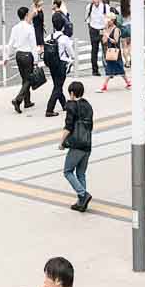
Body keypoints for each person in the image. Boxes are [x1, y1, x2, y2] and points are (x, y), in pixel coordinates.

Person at [62, 80, 94, 211]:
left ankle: (83, 194)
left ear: (72, 93)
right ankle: (81, 203)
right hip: (87, 143)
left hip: (77, 144)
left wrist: (61, 142)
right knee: (81, 173)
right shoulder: (88, 105)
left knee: (67, 171)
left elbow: (68, 126)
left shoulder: (72, 106)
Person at [9, 5, 39, 114]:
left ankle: (27, 101)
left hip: (18, 54)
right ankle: (18, 99)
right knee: (28, 79)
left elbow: (11, 43)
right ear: (26, 15)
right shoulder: (29, 27)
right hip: (27, 55)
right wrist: (36, 60)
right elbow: (33, 45)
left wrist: (7, 56)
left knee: (24, 78)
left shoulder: (15, 28)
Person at [44, 5, 70, 118]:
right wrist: (70, 60)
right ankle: (49, 109)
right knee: (58, 86)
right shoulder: (64, 39)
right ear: (63, 25)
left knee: (57, 84)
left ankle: (64, 104)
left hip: (51, 64)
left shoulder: (48, 37)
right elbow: (71, 53)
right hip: (61, 64)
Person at [101, 14, 130, 90]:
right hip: (109, 51)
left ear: (113, 20)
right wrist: (104, 34)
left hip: (115, 52)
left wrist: (108, 36)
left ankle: (105, 85)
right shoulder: (107, 29)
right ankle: (128, 82)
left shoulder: (116, 29)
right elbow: (104, 41)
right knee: (110, 68)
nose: (107, 21)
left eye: (109, 20)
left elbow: (116, 41)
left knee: (119, 68)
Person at [86, 0, 108, 78]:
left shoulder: (105, 7)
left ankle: (108, 69)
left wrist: (106, 31)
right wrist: (90, 28)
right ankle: (95, 70)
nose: (94, 0)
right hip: (94, 29)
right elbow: (87, 18)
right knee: (94, 50)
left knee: (105, 50)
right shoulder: (89, 7)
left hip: (103, 29)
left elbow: (108, 18)